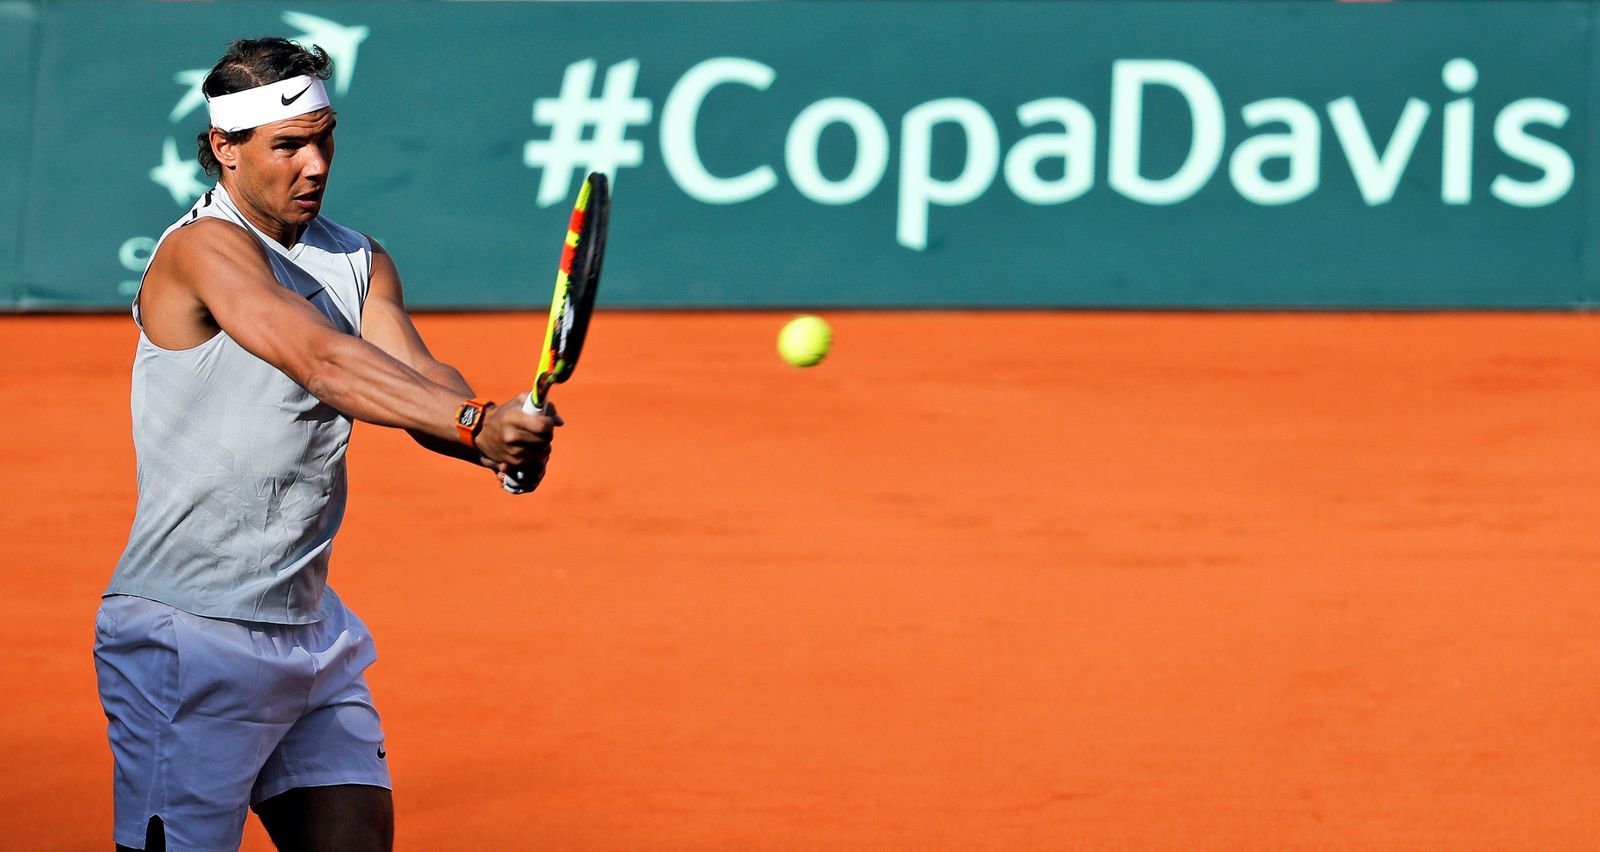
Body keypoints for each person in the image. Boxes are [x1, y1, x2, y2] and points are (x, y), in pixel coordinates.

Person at [93, 37, 555, 851]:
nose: (314, 165)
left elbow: (417, 375)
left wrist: (490, 430)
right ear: (223, 150)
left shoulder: (357, 258)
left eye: (324, 137)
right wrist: (473, 425)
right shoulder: (200, 251)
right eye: (287, 145)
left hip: (311, 630)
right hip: (189, 638)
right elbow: (319, 356)